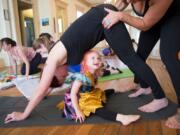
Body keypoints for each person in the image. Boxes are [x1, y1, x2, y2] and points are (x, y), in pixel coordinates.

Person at [4, 4, 167, 124]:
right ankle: (145, 87)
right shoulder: (65, 63)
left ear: (53, 73)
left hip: (103, 17)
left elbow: (41, 88)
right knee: (131, 59)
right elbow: (50, 86)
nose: (65, 76)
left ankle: (160, 97)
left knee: (130, 59)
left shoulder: (52, 61)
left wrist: (24, 114)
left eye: (61, 78)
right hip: (101, 25)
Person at [102, 0, 180, 128]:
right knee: (139, 55)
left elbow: (144, 24)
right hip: (153, 19)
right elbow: (112, 9)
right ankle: (144, 87)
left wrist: (121, 16)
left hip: (174, 17)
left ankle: (175, 107)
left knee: (168, 56)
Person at [57, 50, 140, 124]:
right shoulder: (81, 77)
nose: (96, 60)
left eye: (98, 58)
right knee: (97, 109)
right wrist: (78, 111)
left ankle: (119, 90)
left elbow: (104, 69)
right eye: (92, 58)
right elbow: (73, 94)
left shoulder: (95, 73)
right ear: (85, 62)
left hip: (90, 94)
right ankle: (122, 118)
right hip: (81, 100)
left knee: (104, 93)